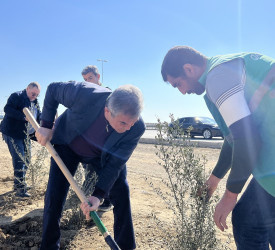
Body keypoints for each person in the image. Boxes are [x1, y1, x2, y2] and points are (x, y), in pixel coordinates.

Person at [161, 46, 275, 249]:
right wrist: (214, 179)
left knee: (248, 224)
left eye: (178, 84)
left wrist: (230, 195)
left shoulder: (217, 77)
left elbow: (248, 139)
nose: (182, 91)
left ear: (188, 68)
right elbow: (235, 138)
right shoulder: (229, 65)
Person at [35, 81, 145, 250]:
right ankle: (49, 246)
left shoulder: (136, 128)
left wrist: (98, 195)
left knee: (121, 191)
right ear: (107, 111)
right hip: (68, 146)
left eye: (132, 122)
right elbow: (52, 90)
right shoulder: (84, 94)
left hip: (102, 156)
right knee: (54, 196)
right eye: (123, 123)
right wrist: (46, 125)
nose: (129, 128)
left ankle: (125, 246)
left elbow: (115, 165)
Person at [0, 82, 41, 197]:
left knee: (27, 159)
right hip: (12, 133)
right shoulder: (16, 96)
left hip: (25, 134)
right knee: (19, 159)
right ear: (27, 88)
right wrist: (23, 117)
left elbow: (39, 115)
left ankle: (18, 183)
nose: (34, 96)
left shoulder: (35, 101)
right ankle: (20, 188)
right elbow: (7, 109)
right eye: (33, 93)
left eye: (37, 95)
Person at [81, 65, 113, 212]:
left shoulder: (108, 94)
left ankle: (107, 199)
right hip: (90, 141)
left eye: (90, 78)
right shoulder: (87, 96)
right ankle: (88, 196)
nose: (88, 81)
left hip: (105, 141)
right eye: (85, 79)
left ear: (98, 77)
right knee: (90, 169)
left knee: (104, 170)